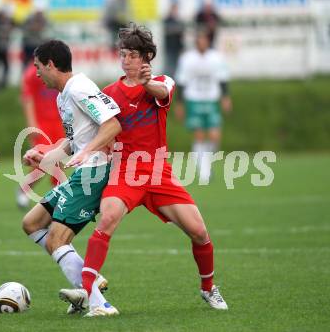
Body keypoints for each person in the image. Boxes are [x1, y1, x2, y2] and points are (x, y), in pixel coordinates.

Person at [59, 23, 228, 313]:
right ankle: (88, 292)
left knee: (199, 232)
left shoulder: (162, 81)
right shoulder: (109, 93)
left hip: (159, 172)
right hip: (126, 170)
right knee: (107, 219)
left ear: (147, 57)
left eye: (133, 55)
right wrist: (56, 152)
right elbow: (92, 131)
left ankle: (208, 288)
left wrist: (146, 83)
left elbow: (162, 92)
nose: (126, 60)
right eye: (123, 54)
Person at [21, 39, 122, 316]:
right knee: (31, 223)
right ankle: (90, 281)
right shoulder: (63, 94)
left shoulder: (79, 88)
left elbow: (113, 124)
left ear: (51, 65)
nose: (37, 73)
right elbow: (72, 141)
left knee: (56, 240)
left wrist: (88, 151)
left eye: (38, 67)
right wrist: (45, 158)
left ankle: (98, 303)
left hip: (95, 171)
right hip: (84, 169)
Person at [174, 29, 232, 182]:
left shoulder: (216, 57)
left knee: (214, 135)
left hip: (212, 99)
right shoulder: (187, 58)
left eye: (204, 39)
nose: (202, 42)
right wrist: (179, 104)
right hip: (194, 99)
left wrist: (225, 97)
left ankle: (206, 162)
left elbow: (223, 79)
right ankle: (204, 171)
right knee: (199, 135)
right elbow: (181, 81)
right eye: (199, 40)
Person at [16, 60, 65, 209]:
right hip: (42, 124)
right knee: (43, 162)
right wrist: (32, 124)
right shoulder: (33, 72)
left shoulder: (59, 70)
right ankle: (24, 189)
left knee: (60, 160)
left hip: (59, 122)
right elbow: (27, 98)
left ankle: (56, 194)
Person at [163, 1, 185, 77]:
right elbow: (167, 30)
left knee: (176, 65)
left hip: (177, 47)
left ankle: (173, 81)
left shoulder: (179, 21)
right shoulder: (167, 19)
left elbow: (181, 34)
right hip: (169, 47)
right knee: (169, 65)